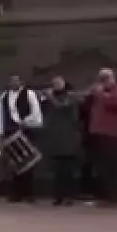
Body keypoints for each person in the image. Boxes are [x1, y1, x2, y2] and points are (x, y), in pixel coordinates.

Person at [0, 73, 42, 203]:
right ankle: (16, 193)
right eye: (11, 81)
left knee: (28, 163)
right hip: (10, 132)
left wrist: (25, 121)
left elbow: (36, 112)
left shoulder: (30, 94)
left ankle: (29, 193)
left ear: (21, 82)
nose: (13, 83)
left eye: (16, 80)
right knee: (14, 164)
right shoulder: (4, 96)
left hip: (26, 131)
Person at [86, 68, 117, 207]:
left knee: (112, 167)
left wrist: (102, 94)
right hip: (99, 133)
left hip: (114, 135)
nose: (104, 81)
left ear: (113, 78)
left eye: (107, 78)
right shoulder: (99, 93)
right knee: (101, 167)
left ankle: (113, 197)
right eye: (102, 79)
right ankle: (103, 196)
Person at [39, 76, 82, 205]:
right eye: (53, 84)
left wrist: (49, 96)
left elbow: (61, 106)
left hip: (68, 138)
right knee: (57, 171)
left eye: (58, 83)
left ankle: (69, 196)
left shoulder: (71, 96)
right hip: (55, 138)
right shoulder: (48, 98)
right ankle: (58, 196)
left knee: (68, 171)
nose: (55, 86)